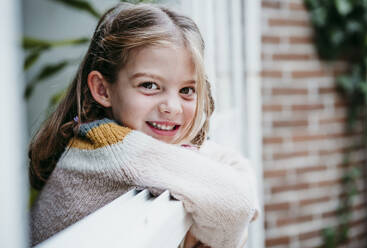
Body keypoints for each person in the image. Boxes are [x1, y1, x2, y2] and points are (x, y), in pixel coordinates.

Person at [29, 3, 259, 248]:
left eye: (187, 90)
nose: (172, 107)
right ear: (102, 89)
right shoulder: (116, 148)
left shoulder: (102, 136)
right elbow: (236, 204)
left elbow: (233, 164)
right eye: (149, 85)